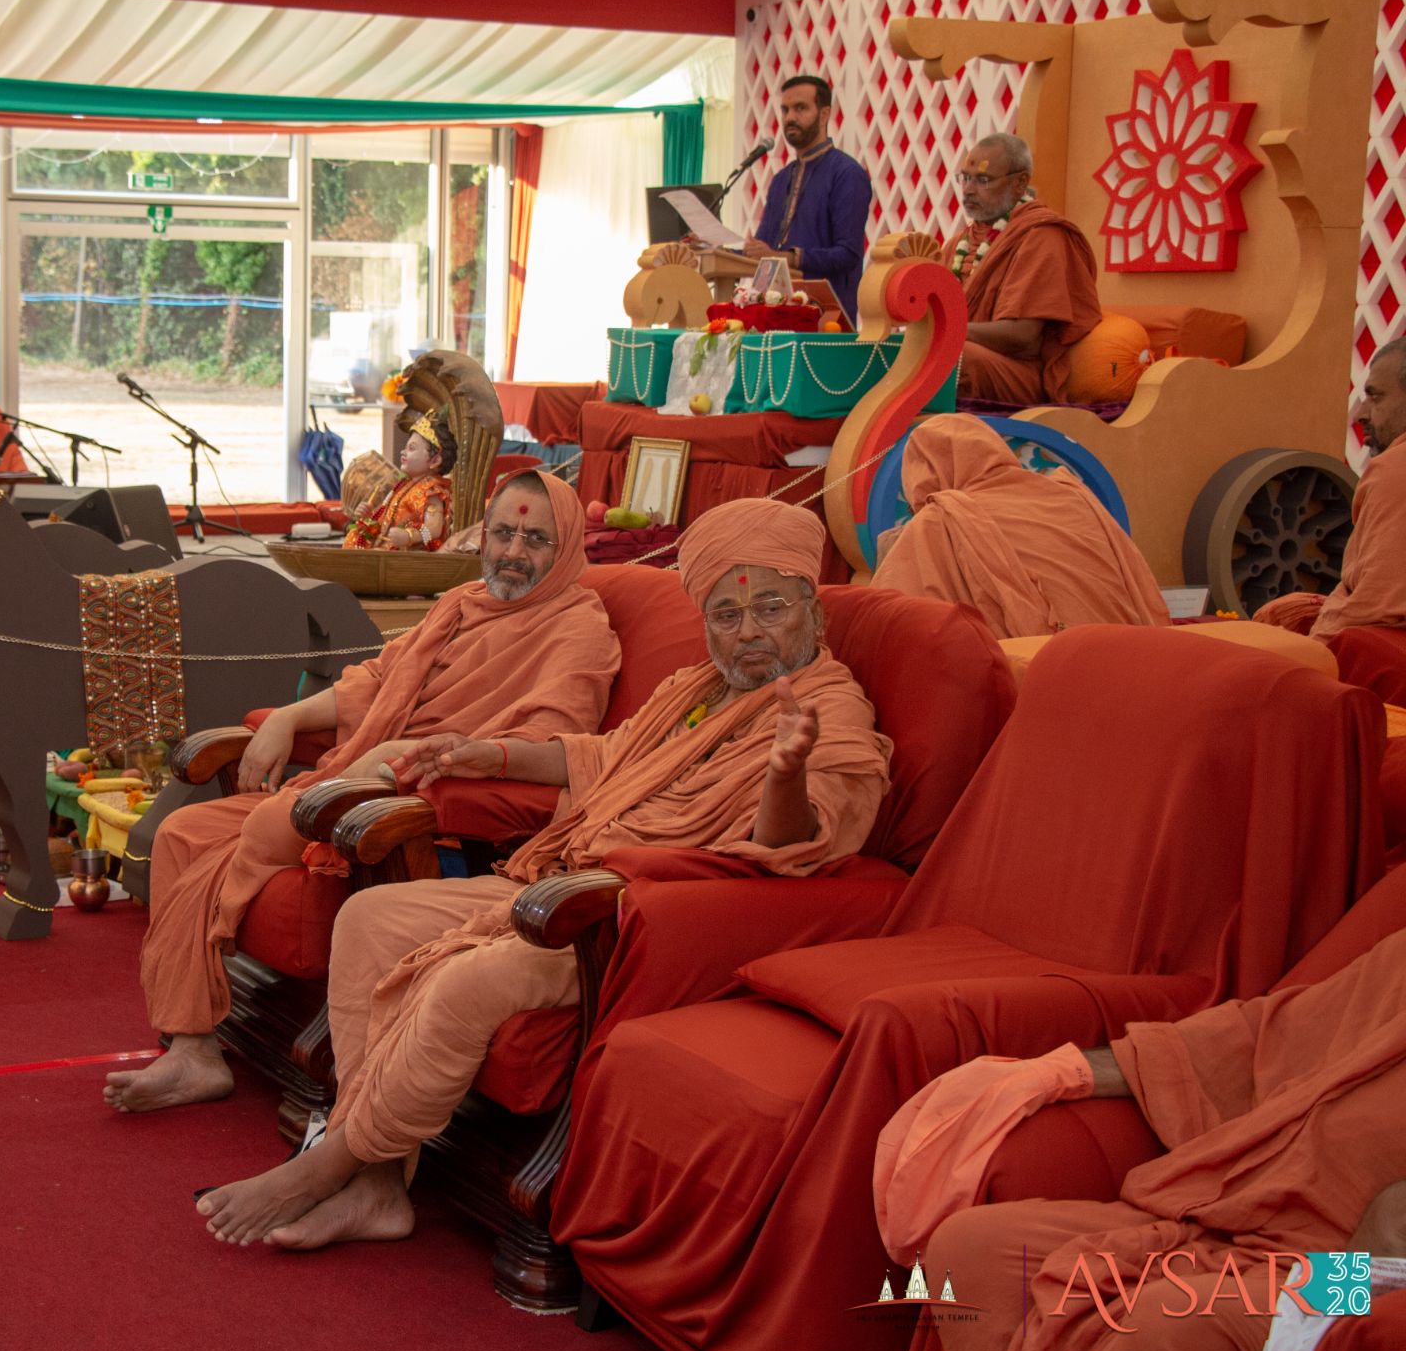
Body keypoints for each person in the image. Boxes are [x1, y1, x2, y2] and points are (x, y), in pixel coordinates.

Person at [193, 497, 894, 1249]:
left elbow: (797, 842)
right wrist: (482, 752)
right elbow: (594, 758)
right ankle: (376, 1186)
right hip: (559, 870)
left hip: (627, 912)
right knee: (370, 918)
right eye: (726, 614)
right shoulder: (694, 692)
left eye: (770, 607)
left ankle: (330, 1163)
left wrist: (784, 773)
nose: (749, 631)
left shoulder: (832, 713)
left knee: (465, 980)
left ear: (813, 615)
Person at [104, 469, 620, 1114]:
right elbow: (375, 680)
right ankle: (194, 1048)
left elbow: (550, 742)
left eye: (536, 538)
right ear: (482, 536)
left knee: (263, 828)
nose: (514, 552)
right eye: (503, 533)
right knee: (183, 833)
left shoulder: (578, 630)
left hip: (417, 797)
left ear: (566, 546)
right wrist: (289, 719)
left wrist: (392, 760)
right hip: (355, 776)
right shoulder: (461, 605)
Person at [886, 924, 1406, 1351]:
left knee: (1163, 1325)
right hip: (1232, 1212)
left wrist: (1368, 1260)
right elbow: (1272, 1033)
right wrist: (1063, 1073)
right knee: (973, 1248)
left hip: (1359, 1272)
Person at [870, 414, 1168, 636]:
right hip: (1135, 651)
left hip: (1049, 670)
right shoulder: (1071, 493)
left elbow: (888, 627)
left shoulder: (943, 518)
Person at [1257, 338, 1406, 639]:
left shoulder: (1396, 472)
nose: (1361, 413)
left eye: (1375, 397)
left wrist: (1313, 650)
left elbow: (1379, 607)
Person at [945, 133, 1103, 405]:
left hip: (1019, 371)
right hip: (963, 349)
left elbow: (1024, 337)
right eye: (965, 178)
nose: (969, 189)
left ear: (1019, 183)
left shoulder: (1042, 235)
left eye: (983, 180)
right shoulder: (960, 242)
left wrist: (946, 330)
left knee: (952, 355)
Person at [745, 74, 874, 321]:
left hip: (827, 320)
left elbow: (848, 253)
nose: (790, 117)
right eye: (785, 110)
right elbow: (762, 249)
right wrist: (713, 246)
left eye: (800, 108)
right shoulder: (781, 180)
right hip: (774, 316)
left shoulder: (847, 174)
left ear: (824, 114)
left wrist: (791, 257)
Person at [342, 410, 453, 551]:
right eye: (405, 447)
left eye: (411, 448)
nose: (403, 452)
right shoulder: (403, 485)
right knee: (354, 537)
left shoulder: (432, 491)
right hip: (385, 546)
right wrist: (369, 517)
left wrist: (409, 537)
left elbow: (434, 530)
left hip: (407, 553)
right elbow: (386, 524)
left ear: (435, 460)